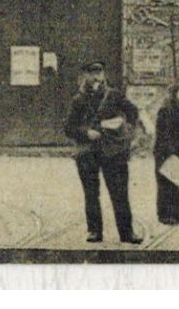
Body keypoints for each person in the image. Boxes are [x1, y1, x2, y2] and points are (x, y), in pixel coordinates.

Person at [62, 60, 141, 245]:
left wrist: (127, 133)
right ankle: (94, 231)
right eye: (92, 73)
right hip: (88, 152)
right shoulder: (79, 99)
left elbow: (133, 112)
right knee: (91, 194)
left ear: (104, 74)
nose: (96, 76)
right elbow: (68, 127)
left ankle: (127, 233)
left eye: (99, 72)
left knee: (120, 193)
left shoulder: (114, 95)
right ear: (85, 76)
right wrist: (86, 133)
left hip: (114, 151)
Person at [153, 81, 179, 226]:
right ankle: (164, 215)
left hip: (178, 152)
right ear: (175, 94)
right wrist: (170, 152)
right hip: (165, 152)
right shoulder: (166, 110)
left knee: (177, 184)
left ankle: (176, 214)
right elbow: (163, 133)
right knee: (165, 184)